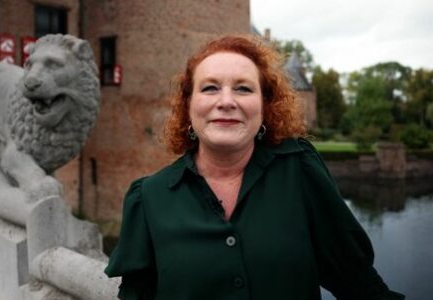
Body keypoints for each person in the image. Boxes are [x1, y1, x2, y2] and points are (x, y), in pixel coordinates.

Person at [104, 35, 404, 300]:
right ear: (188, 105)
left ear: (265, 106)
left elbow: (357, 282)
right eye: (209, 88)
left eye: (243, 89)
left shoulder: (298, 170)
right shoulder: (149, 198)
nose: (226, 101)